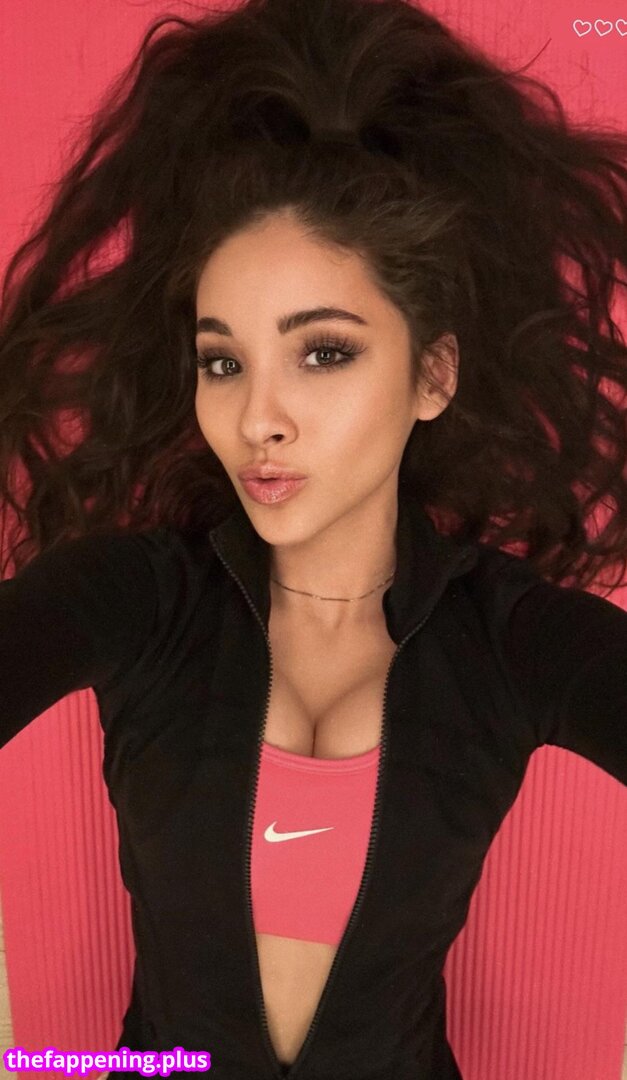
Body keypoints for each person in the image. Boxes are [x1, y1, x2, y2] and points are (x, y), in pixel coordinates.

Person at [1, 0, 626, 1077]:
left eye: (323, 352)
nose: (258, 419)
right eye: (223, 361)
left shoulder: (507, 639)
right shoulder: (145, 600)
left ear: (432, 374)